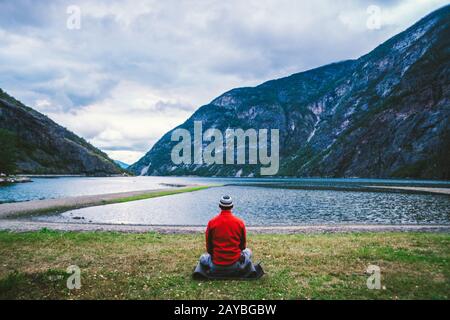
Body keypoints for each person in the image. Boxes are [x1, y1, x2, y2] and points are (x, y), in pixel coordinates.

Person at [198, 195, 253, 275]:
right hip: (235, 266)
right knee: (248, 251)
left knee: (203, 257)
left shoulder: (212, 222)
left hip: (215, 266)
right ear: (232, 206)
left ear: (220, 206)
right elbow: (243, 247)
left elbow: (209, 248)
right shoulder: (239, 223)